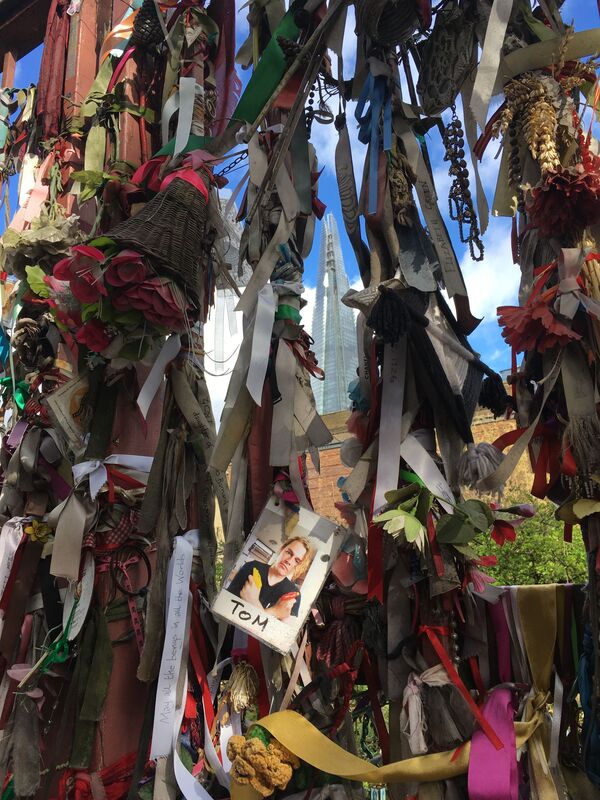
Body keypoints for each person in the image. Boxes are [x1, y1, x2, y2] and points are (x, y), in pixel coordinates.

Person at [226, 536, 313, 621]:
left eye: (297, 560)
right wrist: (275, 611)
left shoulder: (293, 594)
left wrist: (254, 601)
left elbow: (278, 632)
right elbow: (226, 603)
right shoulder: (252, 566)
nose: (289, 561)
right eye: (289, 553)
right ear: (282, 549)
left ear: (298, 566)